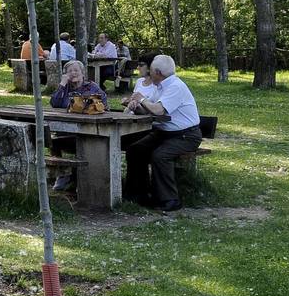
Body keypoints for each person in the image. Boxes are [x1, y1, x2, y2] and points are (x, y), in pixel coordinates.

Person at [123, 54, 200, 213]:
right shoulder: (160, 86)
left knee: (160, 156)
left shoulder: (175, 87)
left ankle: (170, 200)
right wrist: (135, 105)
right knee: (135, 150)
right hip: (164, 133)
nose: (148, 73)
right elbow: (150, 109)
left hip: (186, 136)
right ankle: (138, 194)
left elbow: (159, 110)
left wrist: (142, 99)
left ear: (157, 72)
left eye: (150, 70)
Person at [48, 60, 107, 192]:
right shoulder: (66, 87)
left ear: (82, 73)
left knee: (80, 142)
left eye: (76, 70)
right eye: (69, 71)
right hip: (65, 131)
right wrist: (62, 84)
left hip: (87, 130)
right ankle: (63, 174)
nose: (73, 73)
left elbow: (104, 104)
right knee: (53, 142)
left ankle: (83, 178)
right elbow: (54, 103)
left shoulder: (91, 87)